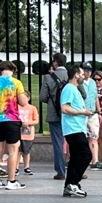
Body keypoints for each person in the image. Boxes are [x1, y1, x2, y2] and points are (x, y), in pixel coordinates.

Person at [0, 62, 29, 189]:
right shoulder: (16, 83)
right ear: (13, 70)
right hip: (11, 120)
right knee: (13, 150)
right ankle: (11, 181)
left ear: (0, 70)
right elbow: (23, 102)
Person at [59, 64, 95, 198]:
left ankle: (70, 184)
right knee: (85, 155)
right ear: (75, 75)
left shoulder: (74, 89)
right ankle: (73, 183)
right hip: (73, 129)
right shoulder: (69, 88)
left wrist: (87, 124)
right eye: (81, 74)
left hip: (77, 128)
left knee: (75, 158)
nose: (83, 76)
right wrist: (82, 112)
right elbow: (65, 108)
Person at [41, 52, 68, 180]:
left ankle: (60, 171)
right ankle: (77, 169)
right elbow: (83, 94)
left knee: (58, 143)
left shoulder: (48, 77)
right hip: (70, 114)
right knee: (73, 142)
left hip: (54, 114)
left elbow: (42, 97)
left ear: (55, 62)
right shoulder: (70, 75)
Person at [83, 66, 102, 170]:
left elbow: (95, 98)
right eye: (86, 71)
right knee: (81, 138)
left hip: (92, 113)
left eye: (90, 71)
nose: (88, 73)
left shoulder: (92, 83)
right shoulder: (78, 83)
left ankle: (95, 160)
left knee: (94, 137)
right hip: (81, 113)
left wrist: (99, 112)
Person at [18, 96, 38, 176]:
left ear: (28, 98)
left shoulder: (32, 108)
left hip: (28, 133)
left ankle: (27, 167)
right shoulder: (16, 107)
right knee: (17, 151)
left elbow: (36, 120)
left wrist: (28, 123)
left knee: (26, 151)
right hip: (18, 133)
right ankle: (16, 167)